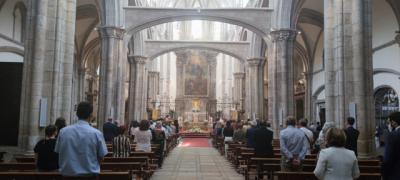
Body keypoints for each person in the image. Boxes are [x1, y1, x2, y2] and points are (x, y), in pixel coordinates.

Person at [55, 101, 108, 178]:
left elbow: (58, 152)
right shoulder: (97, 133)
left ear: (77, 114)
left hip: (68, 176)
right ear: (91, 115)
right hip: (89, 176)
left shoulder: (63, 132)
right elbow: (101, 157)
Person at [382, 112, 400, 180]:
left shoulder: (392, 135)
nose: (389, 124)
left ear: (394, 122)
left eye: (389, 122)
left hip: (396, 173)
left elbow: (387, 159)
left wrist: (384, 174)